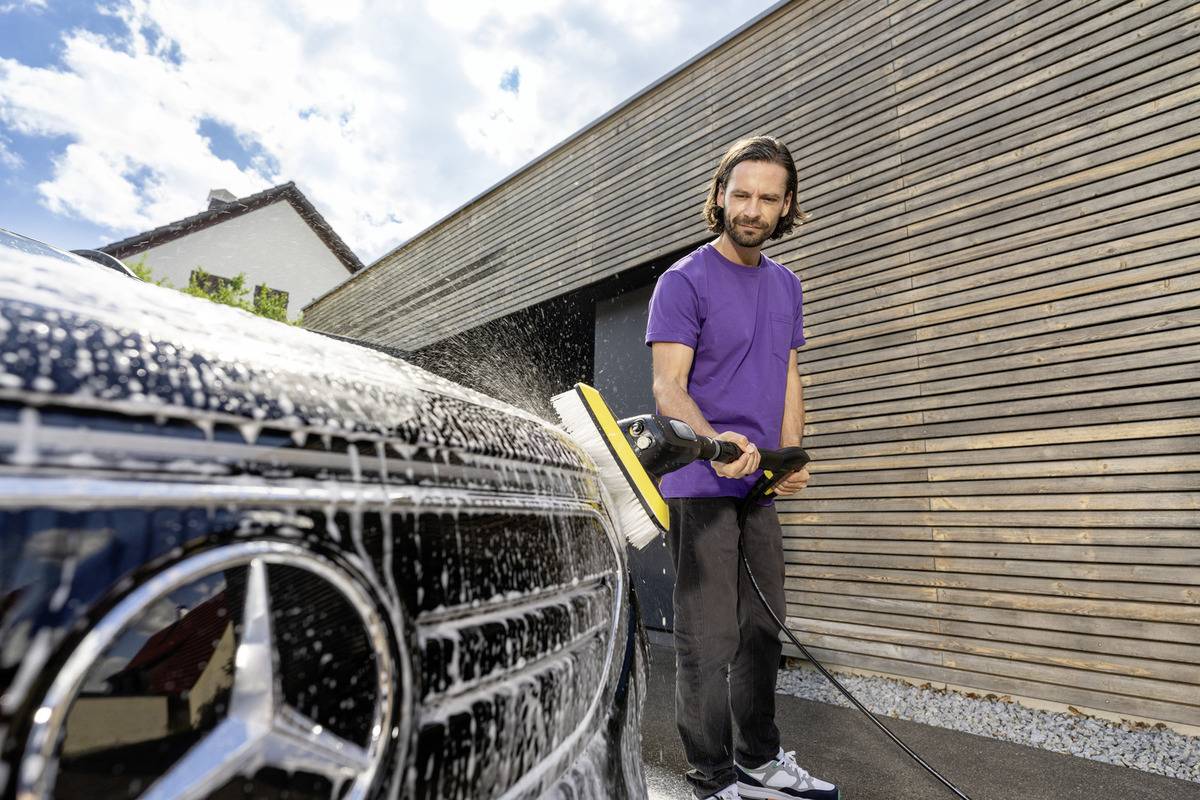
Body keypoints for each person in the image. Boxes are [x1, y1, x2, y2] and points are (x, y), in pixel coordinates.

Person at [645, 135, 838, 800]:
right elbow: (669, 387)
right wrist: (715, 442)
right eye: (742, 194)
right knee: (710, 636)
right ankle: (712, 779)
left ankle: (759, 761)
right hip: (702, 480)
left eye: (767, 198)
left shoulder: (787, 285)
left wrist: (789, 456)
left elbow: (787, 372)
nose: (752, 208)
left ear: (786, 207)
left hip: (759, 486)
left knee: (763, 627)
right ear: (721, 196)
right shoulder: (684, 280)